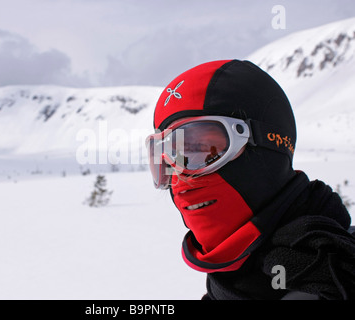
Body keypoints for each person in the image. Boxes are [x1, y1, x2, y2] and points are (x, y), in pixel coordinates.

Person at [145, 60, 355, 300]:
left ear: (268, 145)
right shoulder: (227, 290)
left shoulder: (340, 276)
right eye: (164, 158)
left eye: (202, 149)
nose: (178, 178)